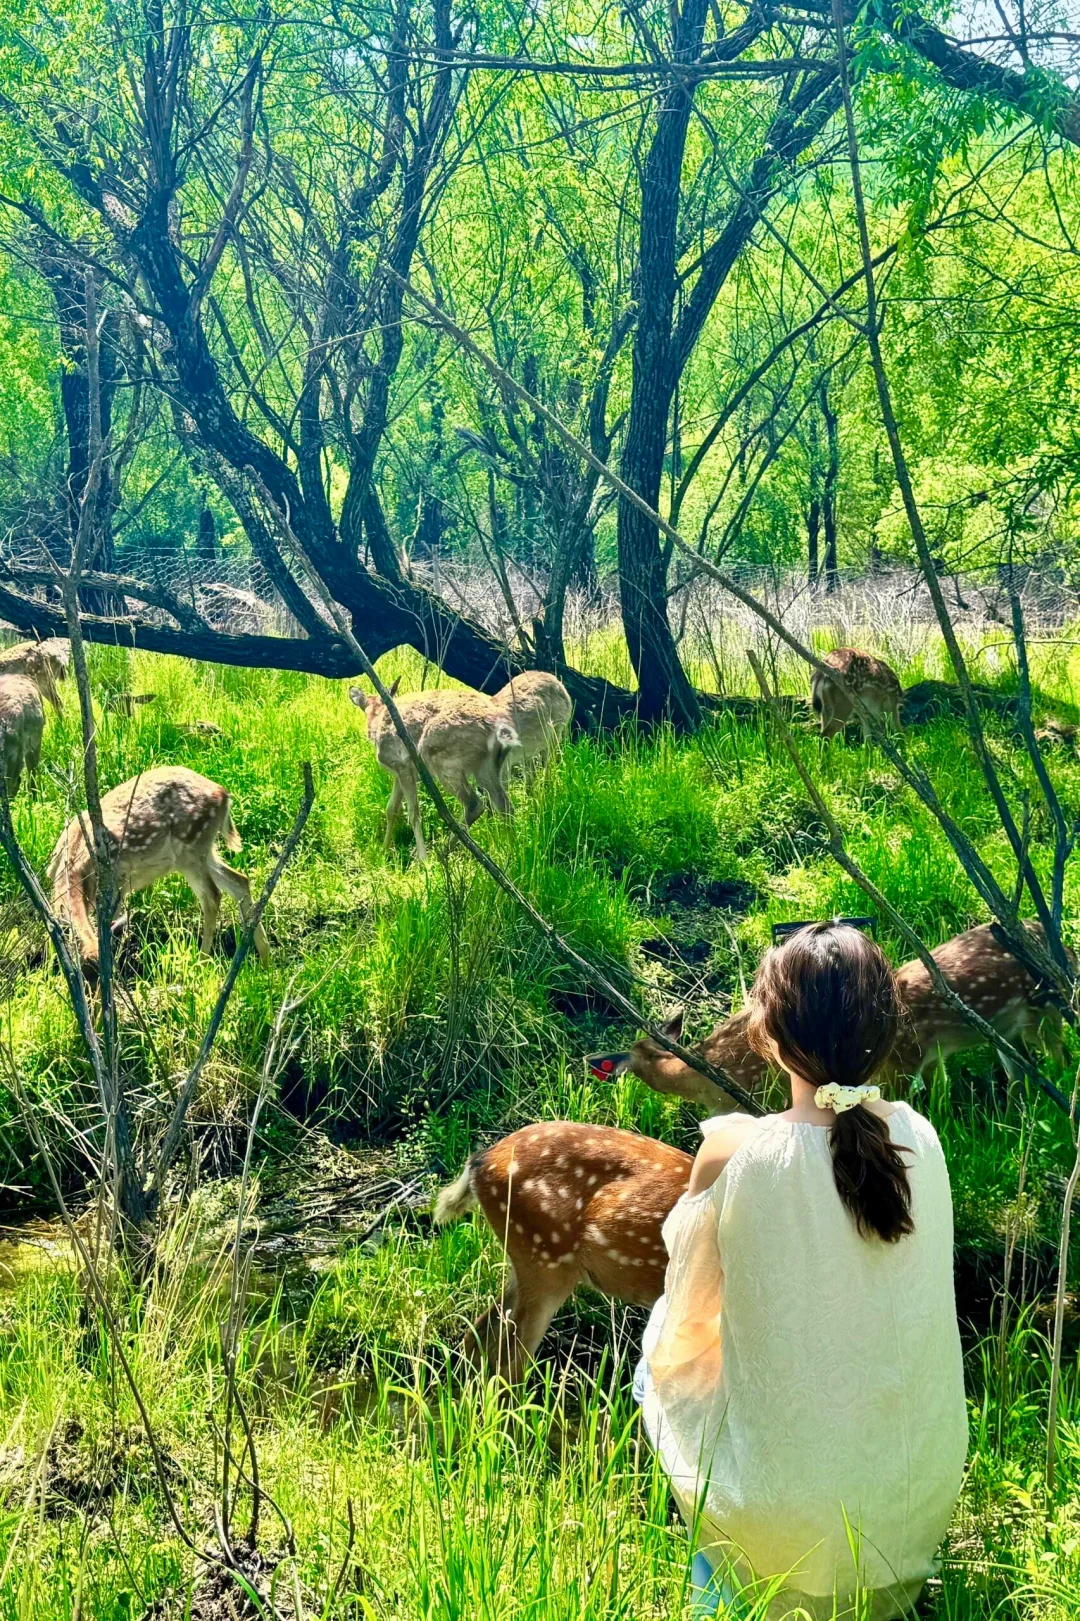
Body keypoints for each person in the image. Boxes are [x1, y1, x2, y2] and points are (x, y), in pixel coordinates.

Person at [635, 923, 967, 1620]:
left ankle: (722, 1590)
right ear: (885, 1029)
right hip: (909, 1530)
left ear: (769, 1033)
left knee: (659, 1359)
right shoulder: (922, 1138)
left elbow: (683, 1319)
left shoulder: (734, 1154)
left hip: (783, 1545)